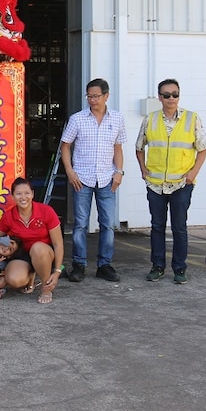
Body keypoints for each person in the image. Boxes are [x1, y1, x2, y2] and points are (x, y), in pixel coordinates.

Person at [135, 78, 206, 284]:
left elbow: (202, 149)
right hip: (155, 184)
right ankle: (157, 266)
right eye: (166, 95)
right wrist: (143, 169)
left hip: (181, 184)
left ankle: (179, 268)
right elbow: (139, 147)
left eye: (175, 94)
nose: (171, 98)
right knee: (157, 226)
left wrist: (192, 174)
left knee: (179, 227)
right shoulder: (150, 120)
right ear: (159, 97)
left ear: (179, 95)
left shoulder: (192, 119)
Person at [60, 78, 127, 283]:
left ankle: (104, 265)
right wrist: (70, 171)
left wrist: (119, 172)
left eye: (96, 96)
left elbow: (118, 148)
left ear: (106, 96)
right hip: (82, 178)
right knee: (80, 224)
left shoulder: (117, 119)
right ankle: (79, 265)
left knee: (107, 224)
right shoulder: (78, 119)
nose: (92, 100)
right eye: (89, 96)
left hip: (107, 178)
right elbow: (65, 146)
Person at [0, 177, 64, 304]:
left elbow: (58, 244)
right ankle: (30, 276)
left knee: (37, 248)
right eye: (18, 194)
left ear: (33, 194)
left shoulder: (46, 211)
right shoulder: (9, 215)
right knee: (14, 279)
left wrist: (57, 271)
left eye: (27, 193)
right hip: (22, 255)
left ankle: (46, 288)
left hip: (44, 253)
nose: (23, 197)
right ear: (12, 196)